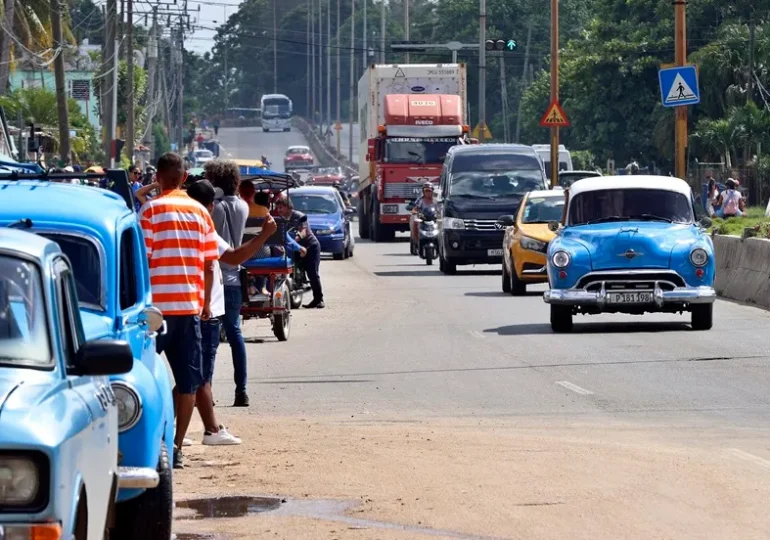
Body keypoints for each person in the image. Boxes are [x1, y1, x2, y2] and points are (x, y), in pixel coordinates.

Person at [138, 153, 218, 468]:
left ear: (157, 177)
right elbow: (210, 264)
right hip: (188, 310)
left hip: (153, 315)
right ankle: (176, 447)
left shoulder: (149, 211)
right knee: (188, 383)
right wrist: (206, 305)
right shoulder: (200, 212)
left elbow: (142, 264)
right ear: (184, 178)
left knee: (141, 377)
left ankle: (147, 441)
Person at [185, 179, 277, 445]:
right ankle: (205, 428)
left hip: (184, 304)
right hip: (209, 303)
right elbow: (224, 262)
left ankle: (192, 428)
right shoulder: (217, 221)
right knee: (200, 372)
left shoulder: (174, 222)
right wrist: (264, 235)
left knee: (192, 373)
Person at [204, 159, 251, 407]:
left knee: (211, 337)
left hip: (216, 276)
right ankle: (241, 389)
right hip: (235, 276)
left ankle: (206, 391)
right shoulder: (243, 205)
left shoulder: (216, 208)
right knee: (235, 334)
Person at [274, 195, 324, 308]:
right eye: (278, 208)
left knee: (312, 273)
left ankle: (319, 299)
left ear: (288, 206)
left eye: (281, 207)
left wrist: (294, 240)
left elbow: (303, 232)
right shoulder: (282, 220)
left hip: (311, 247)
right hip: (296, 249)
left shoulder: (299, 216)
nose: (279, 210)